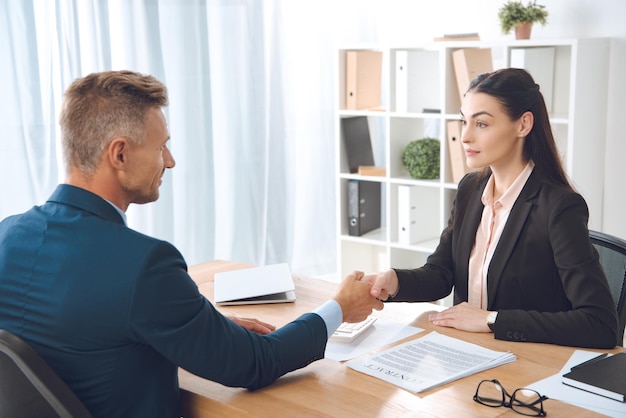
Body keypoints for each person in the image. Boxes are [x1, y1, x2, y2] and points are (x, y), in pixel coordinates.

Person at [0, 70, 384, 418]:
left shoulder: (7, 235)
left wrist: (197, 328)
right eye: (160, 146)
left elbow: (82, 331)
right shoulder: (143, 264)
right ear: (119, 153)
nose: (170, 161)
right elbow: (256, 363)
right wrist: (340, 307)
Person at [366, 68, 618, 349]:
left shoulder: (559, 207)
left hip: (523, 369)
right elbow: (441, 274)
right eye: (464, 122)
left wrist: (491, 320)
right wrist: (395, 281)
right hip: (463, 354)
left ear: (523, 124)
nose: (465, 137)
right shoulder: (469, 190)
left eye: (481, 124)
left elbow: (600, 323)